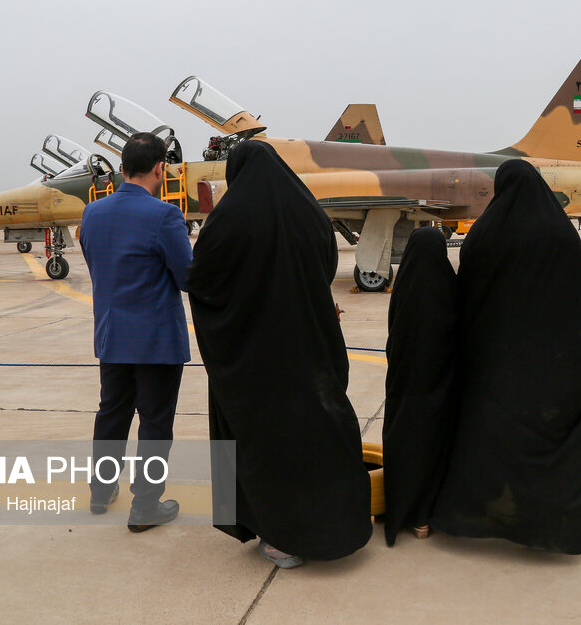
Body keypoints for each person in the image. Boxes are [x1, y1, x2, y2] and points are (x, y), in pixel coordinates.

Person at [186, 140, 371, 569]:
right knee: (319, 434)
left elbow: (203, 281)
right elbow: (326, 268)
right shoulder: (310, 212)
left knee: (263, 442)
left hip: (254, 357)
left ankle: (281, 536)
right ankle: (337, 527)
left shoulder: (228, 219)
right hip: (311, 348)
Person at [430, 159, 581, 554]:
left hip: (495, 363)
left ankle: (475, 516)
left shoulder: (485, 234)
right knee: (555, 445)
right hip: (556, 364)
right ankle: (559, 527)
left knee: (491, 441)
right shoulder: (561, 233)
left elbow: (468, 296)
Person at [79, 132, 193, 532]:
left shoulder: (92, 213)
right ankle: (145, 505)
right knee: (155, 422)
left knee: (111, 413)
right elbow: (187, 277)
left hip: (112, 334)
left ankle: (100, 491)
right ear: (160, 169)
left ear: (123, 168)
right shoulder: (164, 215)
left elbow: (98, 266)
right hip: (156, 339)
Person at [383, 226, 459, 546]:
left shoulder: (405, 287)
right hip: (440, 386)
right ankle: (426, 518)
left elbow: (394, 334)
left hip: (405, 387)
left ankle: (402, 511)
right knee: (436, 446)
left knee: (405, 444)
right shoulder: (448, 287)